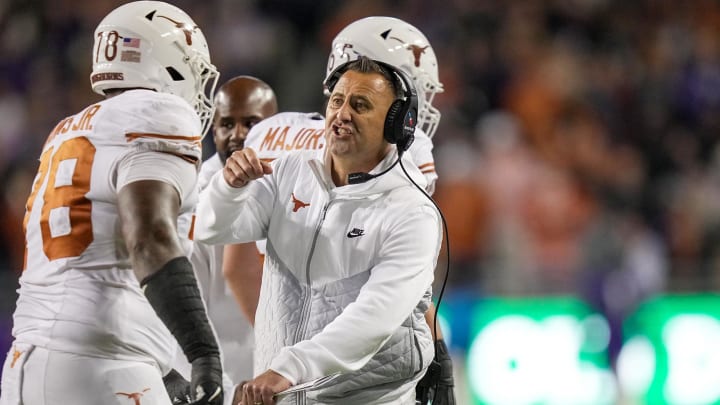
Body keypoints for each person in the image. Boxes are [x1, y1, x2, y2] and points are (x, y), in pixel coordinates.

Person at [0, 2, 223, 404]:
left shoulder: (65, 132)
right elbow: (150, 237)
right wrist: (203, 353)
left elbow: (94, 262)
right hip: (101, 367)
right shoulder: (160, 112)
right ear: (170, 64)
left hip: (27, 362)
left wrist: (163, 366)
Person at [230, 16, 455, 404]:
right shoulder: (395, 151)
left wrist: (282, 354)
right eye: (414, 94)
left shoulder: (276, 132)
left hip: (278, 355)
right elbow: (398, 294)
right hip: (321, 370)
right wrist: (290, 363)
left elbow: (237, 265)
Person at [171, 76, 277, 386]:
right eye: (227, 124)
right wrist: (220, 389)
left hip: (281, 379)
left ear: (275, 125)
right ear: (213, 129)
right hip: (226, 379)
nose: (238, 134)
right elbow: (183, 312)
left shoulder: (291, 184)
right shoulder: (194, 198)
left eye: (251, 122)